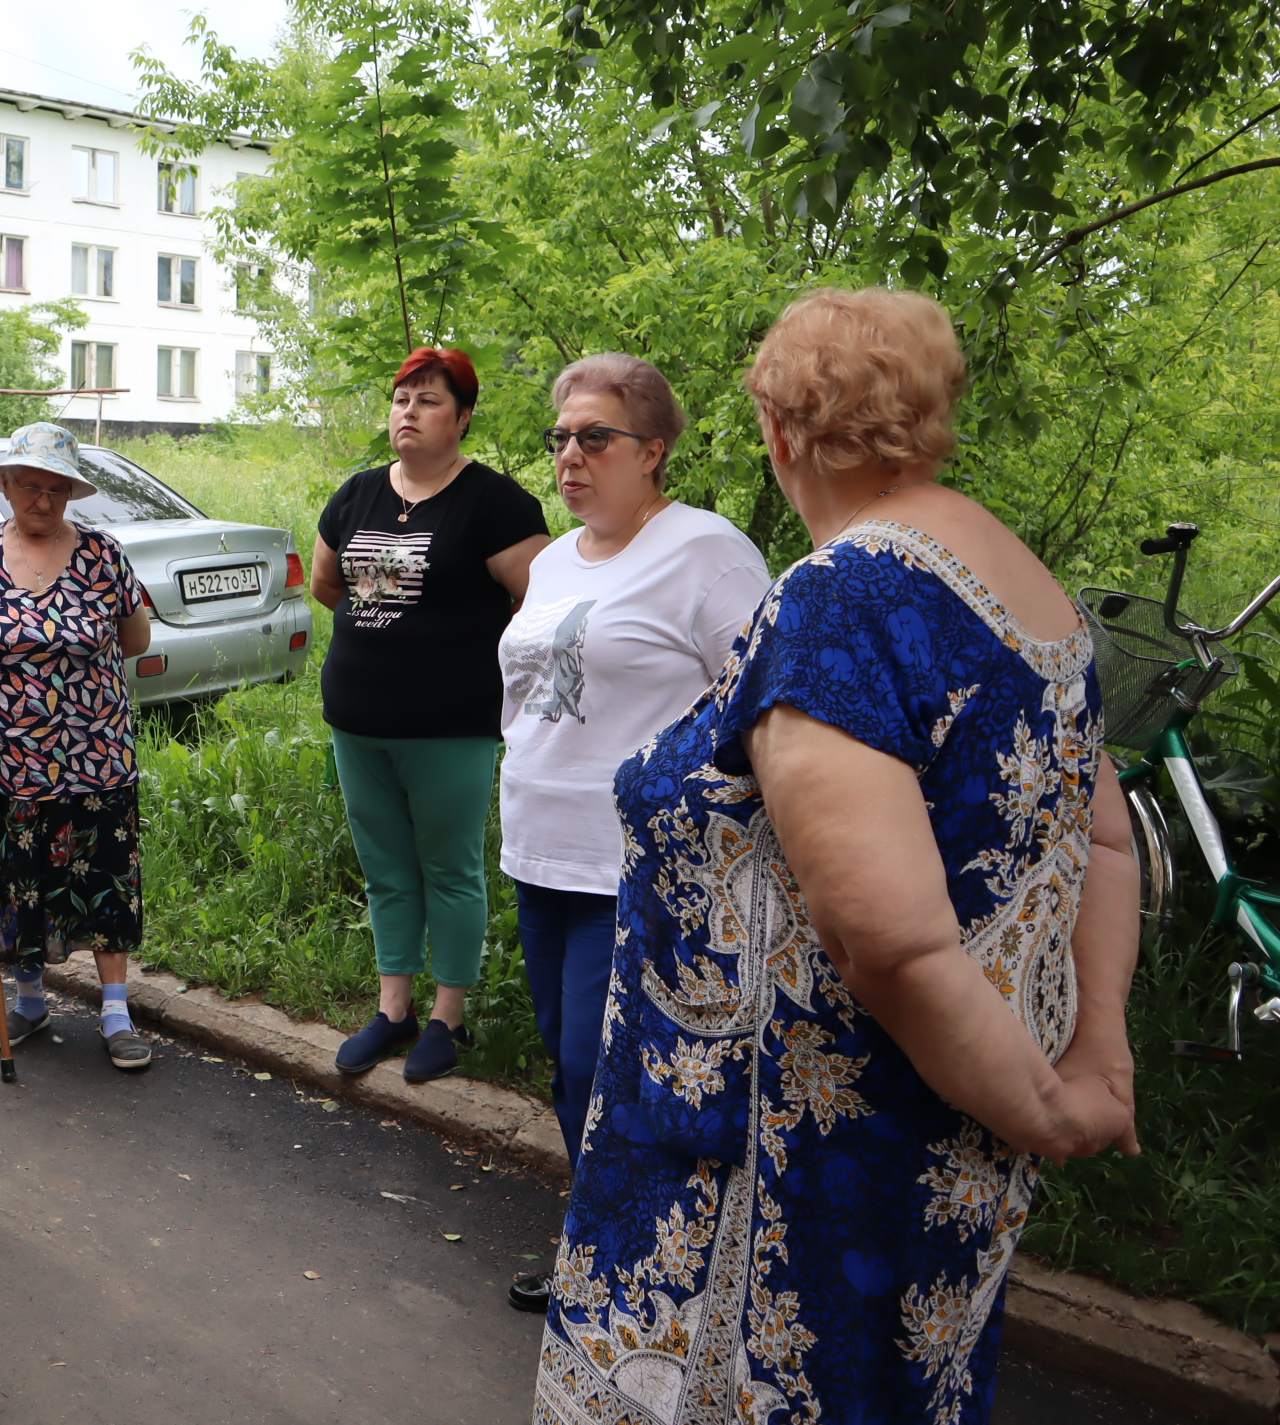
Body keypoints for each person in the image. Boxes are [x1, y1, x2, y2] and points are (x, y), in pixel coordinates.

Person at [537, 289, 1141, 1424]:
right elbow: (1106, 835)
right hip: (954, 1133)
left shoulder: (841, 601)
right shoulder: (1026, 580)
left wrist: (1053, 1115)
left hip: (796, 1180)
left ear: (777, 431)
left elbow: (895, 944)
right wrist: (1092, 1053)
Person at [492, 352, 769, 1315]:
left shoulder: (707, 552)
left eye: (595, 437)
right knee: (570, 1067)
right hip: (541, 848)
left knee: (605, 1068)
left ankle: (648, 1264)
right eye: (560, 438)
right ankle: (608, 1244)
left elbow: (760, 711)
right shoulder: (558, 558)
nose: (570, 455)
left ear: (653, 450)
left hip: (642, 866)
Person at [311, 347, 550, 1084]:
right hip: (358, 719)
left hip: (451, 724)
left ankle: (448, 1016)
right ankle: (393, 1010)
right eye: (401, 398)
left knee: (448, 869)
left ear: (464, 417)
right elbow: (328, 585)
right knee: (386, 869)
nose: (408, 411)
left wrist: (456, 650)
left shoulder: (495, 503)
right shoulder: (355, 495)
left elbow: (543, 605)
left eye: (429, 400)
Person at [0, 420, 155, 1071]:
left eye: (56, 489)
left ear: (71, 493)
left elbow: (134, 639)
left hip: (95, 757)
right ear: (7, 485)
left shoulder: (104, 555)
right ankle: (29, 1001)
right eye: (30, 486)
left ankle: (116, 1012)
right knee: (17, 885)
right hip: (0, 758)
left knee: (103, 881)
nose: (43, 501)